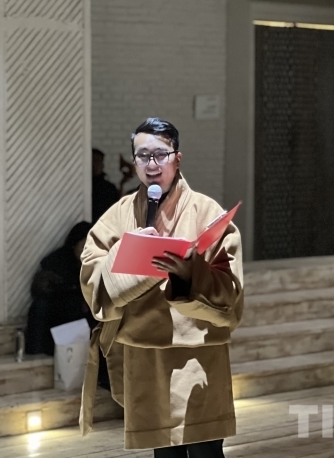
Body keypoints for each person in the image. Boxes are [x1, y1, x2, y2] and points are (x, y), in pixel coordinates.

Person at [79, 118, 244, 457]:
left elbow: (230, 292)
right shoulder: (119, 214)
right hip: (144, 357)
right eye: (143, 156)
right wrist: (127, 259)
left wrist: (190, 274)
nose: (151, 164)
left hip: (197, 355)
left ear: (177, 158)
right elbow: (91, 271)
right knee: (163, 454)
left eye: (160, 154)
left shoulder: (207, 212)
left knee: (205, 452)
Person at [25, 221, 93, 356]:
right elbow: (44, 291)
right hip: (60, 315)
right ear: (74, 244)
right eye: (84, 246)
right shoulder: (56, 263)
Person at [92, 149, 120, 222]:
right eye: (92, 161)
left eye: (97, 161)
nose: (94, 165)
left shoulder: (109, 188)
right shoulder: (84, 186)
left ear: (102, 165)